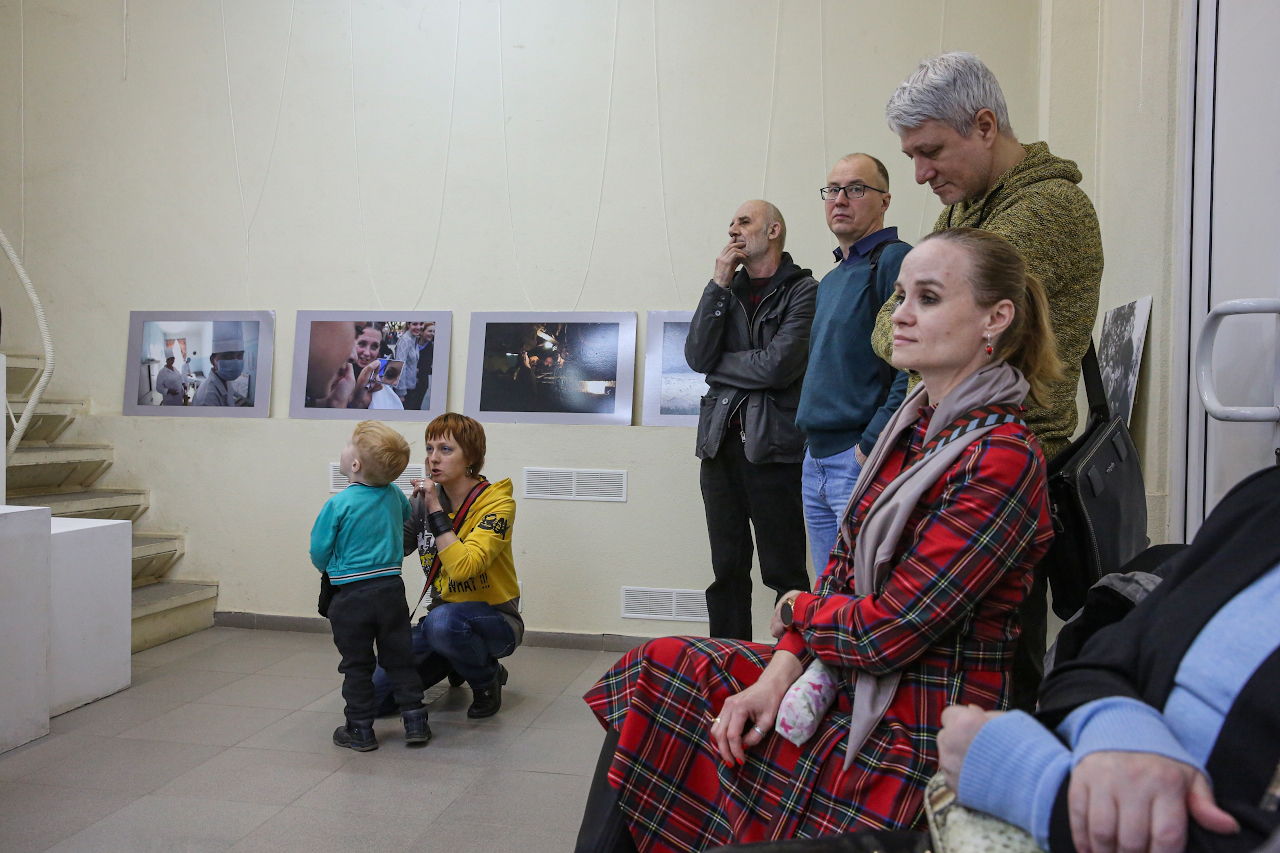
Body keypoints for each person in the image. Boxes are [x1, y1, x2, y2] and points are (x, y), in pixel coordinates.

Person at [577, 228, 1059, 853]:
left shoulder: (1001, 457)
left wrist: (795, 610)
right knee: (659, 666)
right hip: (842, 677)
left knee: (686, 710)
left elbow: (888, 631)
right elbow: (841, 573)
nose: (900, 315)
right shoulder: (911, 430)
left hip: (915, 722)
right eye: (901, 296)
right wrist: (776, 675)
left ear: (996, 318)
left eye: (928, 298)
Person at [874, 51, 1105, 709]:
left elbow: (895, 335)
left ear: (983, 126)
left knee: (988, 680)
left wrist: (907, 331)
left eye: (930, 152)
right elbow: (893, 329)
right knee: (942, 676)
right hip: (952, 452)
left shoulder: (1047, 210)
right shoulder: (967, 211)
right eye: (911, 155)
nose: (920, 174)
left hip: (1002, 467)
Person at [937, 463, 1280, 853]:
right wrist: (1119, 727)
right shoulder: (1265, 501)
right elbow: (1097, 656)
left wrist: (1036, 782)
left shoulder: (997, 457)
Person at [684, 199, 817, 641]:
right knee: (726, 570)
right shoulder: (726, 291)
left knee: (785, 572)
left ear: (773, 231)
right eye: (731, 223)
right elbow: (696, 356)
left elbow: (778, 367)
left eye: (744, 222)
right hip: (718, 446)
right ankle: (727, 661)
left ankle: (793, 663)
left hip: (774, 448)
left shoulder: (804, 290)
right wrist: (718, 283)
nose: (733, 230)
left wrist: (719, 365)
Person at [796, 154, 912, 576]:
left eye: (856, 189)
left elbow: (913, 367)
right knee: (830, 593)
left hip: (858, 459)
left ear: (885, 201)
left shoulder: (897, 261)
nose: (840, 199)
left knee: (866, 589)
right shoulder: (831, 280)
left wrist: (872, 443)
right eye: (833, 190)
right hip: (816, 460)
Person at [371, 412, 522, 721]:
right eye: (429, 449)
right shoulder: (421, 500)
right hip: (440, 620)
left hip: (496, 620)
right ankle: (456, 658)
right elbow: (391, 551)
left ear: (471, 457)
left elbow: (464, 568)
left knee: (443, 623)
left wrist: (435, 509)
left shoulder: (497, 504)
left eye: (446, 449)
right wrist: (378, 499)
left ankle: (487, 678)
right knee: (372, 698)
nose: (433, 458)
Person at [309, 421, 428, 751]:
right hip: (391, 591)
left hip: (351, 596)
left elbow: (319, 550)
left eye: (349, 444)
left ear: (355, 465)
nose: (344, 448)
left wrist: (328, 568)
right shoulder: (393, 495)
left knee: (358, 665)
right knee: (400, 658)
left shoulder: (338, 504)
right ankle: (416, 720)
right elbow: (404, 514)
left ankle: (360, 729)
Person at [347, 322, 404, 411]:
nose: (367, 353)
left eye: (374, 346)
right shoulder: (337, 376)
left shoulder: (378, 381)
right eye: (362, 344)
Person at [193, 321, 247, 407]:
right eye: (228, 356)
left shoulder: (226, 381)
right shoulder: (207, 398)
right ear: (212, 360)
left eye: (240, 355)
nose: (236, 361)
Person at [395, 321, 435, 411]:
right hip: (405, 391)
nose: (418, 327)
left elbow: (411, 364)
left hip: (411, 387)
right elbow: (400, 366)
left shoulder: (413, 339)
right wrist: (401, 393)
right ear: (408, 325)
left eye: (421, 324)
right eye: (415, 324)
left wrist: (413, 375)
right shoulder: (406, 340)